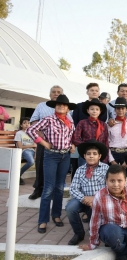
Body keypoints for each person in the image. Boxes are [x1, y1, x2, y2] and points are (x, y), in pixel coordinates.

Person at [26, 94, 76, 234]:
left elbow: (71, 137)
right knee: (48, 188)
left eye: (64, 105)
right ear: (55, 107)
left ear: (67, 109)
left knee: (60, 187)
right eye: (59, 105)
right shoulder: (48, 119)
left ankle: (56, 215)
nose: (61, 107)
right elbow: (30, 130)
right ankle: (42, 220)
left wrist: (72, 144)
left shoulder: (70, 122)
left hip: (65, 156)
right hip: (51, 155)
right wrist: (42, 143)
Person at [79, 165, 127, 260]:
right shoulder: (100, 196)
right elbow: (95, 220)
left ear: (125, 181)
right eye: (112, 181)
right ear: (106, 181)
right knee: (113, 235)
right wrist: (93, 243)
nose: (116, 184)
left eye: (119, 181)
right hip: (110, 229)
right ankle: (121, 251)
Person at [65, 140, 109, 245]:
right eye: (88, 154)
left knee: (94, 214)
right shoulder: (80, 170)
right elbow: (73, 188)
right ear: (84, 156)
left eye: (94, 154)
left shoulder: (105, 168)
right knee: (70, 208)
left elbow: (108, 187)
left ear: (99, 156)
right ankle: (79, 233)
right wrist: (84, 198)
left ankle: (101, 234)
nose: (91, 156)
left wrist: (95, 198)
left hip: (99, 199)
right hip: (83, 199)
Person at [28, 85, 65, 200]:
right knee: (40, 164)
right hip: (43, 140)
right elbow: (34, 120)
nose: (56, 94)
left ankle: (52, 190)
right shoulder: (41, 106)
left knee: (56, 168)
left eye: (59, 92)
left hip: (59, 143)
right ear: (50, 94)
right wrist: (39, 133)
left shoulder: (65, 107)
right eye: (54, 92)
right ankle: (38, 189)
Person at [72, 98, 109, 167]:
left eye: (97, 109)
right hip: (86, 154)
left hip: (99, 155)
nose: (94, 111)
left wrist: (105, 158)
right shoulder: (82, 123)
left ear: (100, 111)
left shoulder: (103, 125)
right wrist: (86, 146)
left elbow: (105, 141)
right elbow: (75, 138)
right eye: (92, 109)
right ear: (88, 111)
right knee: (83, 174)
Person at [108, 97, 127, 170]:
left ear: (126, 110)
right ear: (115, 110)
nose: (120, 110)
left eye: (123, 108)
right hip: (114, 154)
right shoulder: (110, 124)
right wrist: (111, 160)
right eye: (118, 108)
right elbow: (107, 142)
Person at [14, 117, 36, 185]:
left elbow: (36, 145)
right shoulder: (19, 133)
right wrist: (32, 146)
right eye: (24, 123)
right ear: (21, 125)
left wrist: (36, 154)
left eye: (28, 123)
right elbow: (20, 146)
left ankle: (40, 180)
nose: (27, 124)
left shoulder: (32, 133)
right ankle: (17, 175)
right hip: (25, 151)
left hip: (33, 151)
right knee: (31, 162)